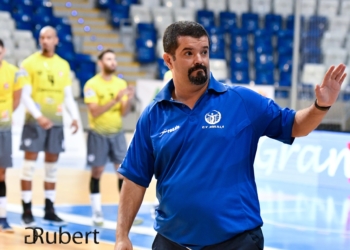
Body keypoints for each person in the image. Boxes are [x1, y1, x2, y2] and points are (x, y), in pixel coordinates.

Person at [114, 21, 346, 250]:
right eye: (188, 53)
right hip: (171, 241)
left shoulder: (241, 101)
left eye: (204, 52)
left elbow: (295, 125)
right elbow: (135, 178)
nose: (199, 60)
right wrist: (122, 236)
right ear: (168, 60)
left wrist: (320, 106)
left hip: (237, 242)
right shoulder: (153, 115)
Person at [19, 26, 79, 226]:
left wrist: (74, 117)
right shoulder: (28, 63)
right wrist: (38, 116)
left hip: (56, 121)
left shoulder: (63, 64)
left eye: (49, 37)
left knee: (52, 168)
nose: (45, 41)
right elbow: (25, 95)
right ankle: (26, 210)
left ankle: (49, 208)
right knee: (28, 166)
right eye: (42, 37)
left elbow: (68, 95)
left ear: (56, 40)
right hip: (34, 122)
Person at [83, 49, 140, 226]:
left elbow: (124, 113)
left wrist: (128, 99)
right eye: (109, 59)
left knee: (122, 173)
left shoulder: (120, 84)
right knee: (97, 172)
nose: (113, 62)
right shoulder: (91, 85)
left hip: (117, 133)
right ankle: (96, 212)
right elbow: (94, 111)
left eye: (114, 59)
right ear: (100, 63)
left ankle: (126, 214)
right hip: (98, 134)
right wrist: (115, 100)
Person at [0, 39, 25, 233]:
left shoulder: (13, 72)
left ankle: (2, 216)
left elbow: (16, 101)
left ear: (4, 51)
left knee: (1, 173)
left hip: (4, 128)